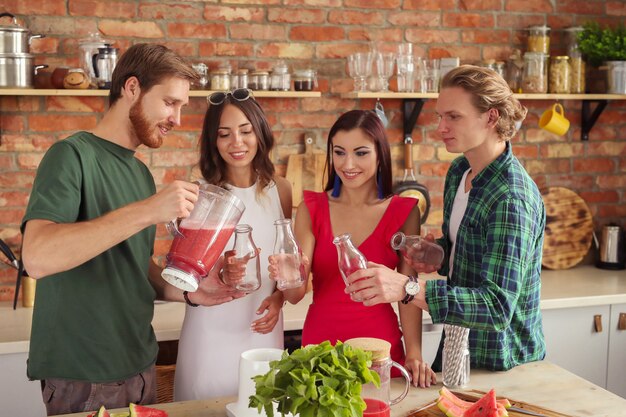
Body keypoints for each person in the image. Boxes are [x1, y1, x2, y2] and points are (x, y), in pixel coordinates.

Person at [20, 44, 244, 416]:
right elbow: (38, 257)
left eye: (182, 107)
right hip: (84, 373)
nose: (176, 118)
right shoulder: (71, 156)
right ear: (132, 88)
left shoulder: (139, 172)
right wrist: (148, 209)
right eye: (170, 103)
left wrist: (189, 292)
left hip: (140, 367)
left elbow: (134, 268)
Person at [344, 65, 546, 372]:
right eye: (440, 116)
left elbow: (496, 308)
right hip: (456, 349)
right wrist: (438, 254)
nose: (441, 126)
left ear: (491, 117)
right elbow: (471, 252)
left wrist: (407, 289)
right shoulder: (459, 173)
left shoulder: (511, 197)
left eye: (454, 116)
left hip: (501, 361)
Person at [270, 110, 437, 388]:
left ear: (380, 155)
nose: (348, 164)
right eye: (339, 152)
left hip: (380, 349)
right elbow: (296, 295)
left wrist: (414, 354)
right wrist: (288, 274)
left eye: (361, 153)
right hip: (320, 349)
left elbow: (407, 288)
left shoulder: (405, 211)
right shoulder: (312, 208)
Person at [174, 88, 293, 400]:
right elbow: (183, 274)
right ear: (212, 141)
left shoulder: (281, 190)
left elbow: (287, 264)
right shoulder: (199, 195)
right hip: (210, 335)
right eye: (224, 134)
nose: (236, 143)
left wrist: (279, 298)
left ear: (260, 133)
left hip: (262, 331)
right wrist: (223, 272)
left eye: (245, 131)